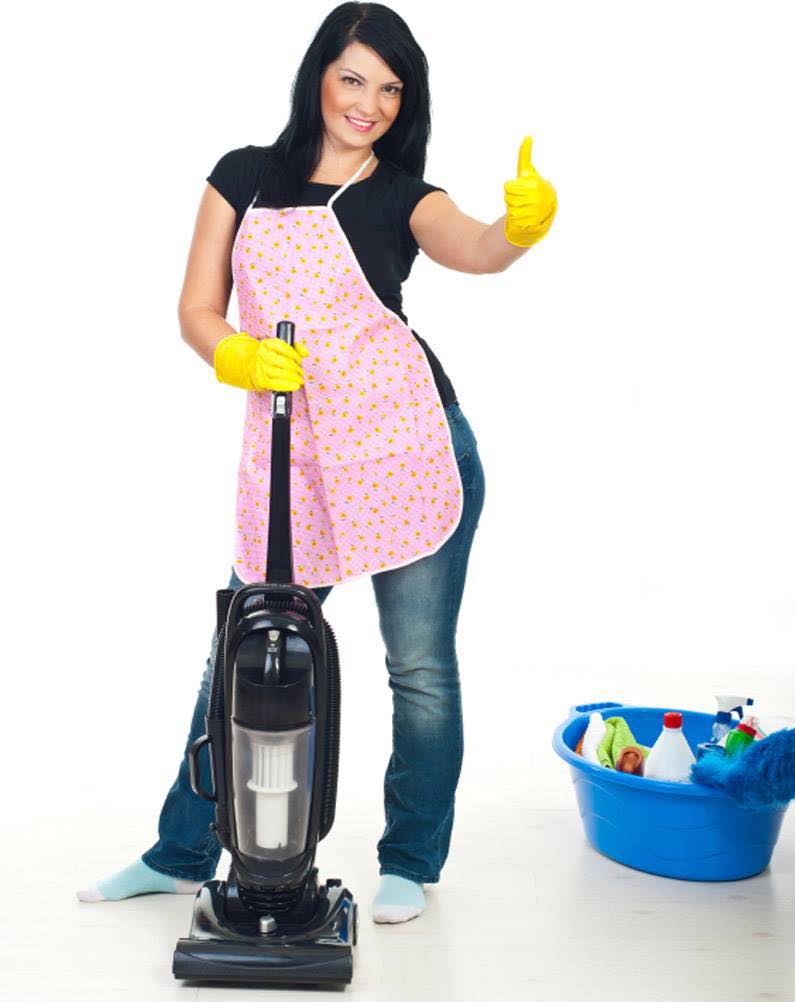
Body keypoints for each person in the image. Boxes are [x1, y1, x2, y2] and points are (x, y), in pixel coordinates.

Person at [76, 1, 556, 924]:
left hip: (408, 449)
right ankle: (180, 853)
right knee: (239, 651)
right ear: (318, 77)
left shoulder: (403, 194)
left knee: (419, 668)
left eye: (390, 89)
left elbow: (475, 248)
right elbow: (196, 308)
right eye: (353, 79)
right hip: (294, 458)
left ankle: (409, 861)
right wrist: (231, 353)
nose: (369, 104)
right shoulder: (243, 176)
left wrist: (517, 229)